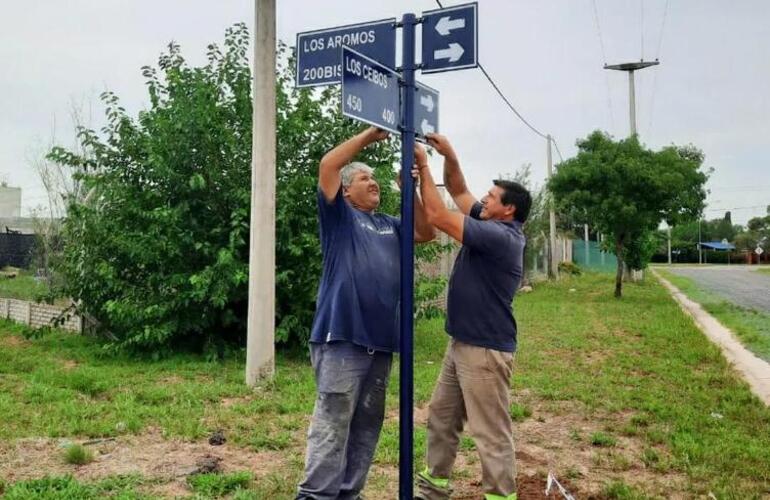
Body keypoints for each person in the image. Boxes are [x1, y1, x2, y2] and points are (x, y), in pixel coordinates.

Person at [296, 127, 435, 500]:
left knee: (367, 425)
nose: (373, 182)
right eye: (364, 177)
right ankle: (316, 496)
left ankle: (348, 494)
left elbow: (425, 232)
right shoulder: (340, 218)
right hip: (342, 337)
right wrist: (370, 134)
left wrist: (411, 192)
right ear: (345, 190)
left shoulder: (389, 224)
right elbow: (328, 164)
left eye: (374, 178)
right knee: (333, 421)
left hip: (381, 343)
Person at [413, 134, 531, 500]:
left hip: (484, 350)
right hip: (461, 343)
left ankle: (500, 495)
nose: (483, 199)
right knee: (441, 418)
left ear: (508, 209)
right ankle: (433, 489)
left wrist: (424, 166)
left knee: (490, 433)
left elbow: (437, 214)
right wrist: (450, 155)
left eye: (492, 197)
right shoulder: (488, 221)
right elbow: (459, 190)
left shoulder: (501, 237)